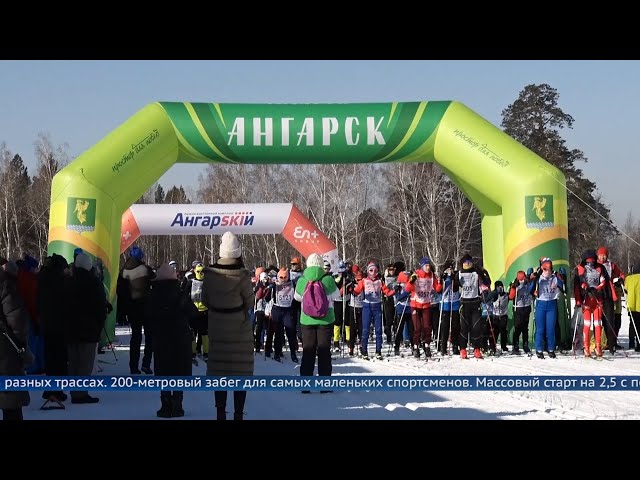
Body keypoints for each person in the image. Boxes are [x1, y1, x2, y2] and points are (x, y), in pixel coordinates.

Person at [202, 232, 254, 420]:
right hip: (239, 331)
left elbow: (204, 300)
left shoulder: (209, 274)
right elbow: (250, 302)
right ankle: (239, 414)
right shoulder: (243, 275)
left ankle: (220, 413)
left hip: (217, 328)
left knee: (219, 373)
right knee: (240, 374)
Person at [145, 263, 196, 418]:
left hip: (161, 338)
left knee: (163, 370)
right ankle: (177, 404)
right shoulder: (180, 293)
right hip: (180, 338)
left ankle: (165, 404)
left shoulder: (153, 295)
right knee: (179, 370)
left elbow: (147, 316)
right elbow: (193, 313)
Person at [63, 252, 107, 404]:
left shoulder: (68, 282)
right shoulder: (94, 283)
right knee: (85, 363)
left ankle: (75, 391)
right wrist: (100, 324)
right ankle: (81, 393)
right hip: (88, 329)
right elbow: (100, 307)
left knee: (74, 362)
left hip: (71, 329)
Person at [294, 253, 341, 388]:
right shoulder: (328, 280)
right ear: (321, 264)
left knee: (308, 351)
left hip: (307, 321)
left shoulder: (302, 280)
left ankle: (306, 384)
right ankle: (324, 384)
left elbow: (297, 297)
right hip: (325, 321)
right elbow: (336, 295)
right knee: (324, 351)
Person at [0, 265, 31, 420]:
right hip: (5, 349)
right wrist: (21, 343)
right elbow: (16, 318)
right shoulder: (5, 283)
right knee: (11, 401)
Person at [121, 246, 155, 374]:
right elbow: (155, 279)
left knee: (135, 338)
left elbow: (121, 292)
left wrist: (123, 311)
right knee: (149, 338)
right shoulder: (145, 269)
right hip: (147, 308)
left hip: (133, 309)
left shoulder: (123, 271)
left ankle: (133, 366)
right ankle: (146, 364)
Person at [596, 246, 625, 351]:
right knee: (599, 319)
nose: (602, 258)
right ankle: (599, 341)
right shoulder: (595, 265)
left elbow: (621, 274)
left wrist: (620, 279)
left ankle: (611, 343)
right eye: (600, 255)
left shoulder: (611, 265)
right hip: (598, 292)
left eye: (604, 255)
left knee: (610, 318)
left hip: (609, 292)